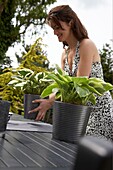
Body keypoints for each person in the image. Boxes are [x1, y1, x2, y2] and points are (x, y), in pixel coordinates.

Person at [29, 5, 113, 141]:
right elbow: (60, 85)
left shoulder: (86, 45)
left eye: (57, 27)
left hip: (98, 111)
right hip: (79, 113)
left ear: (70, 23)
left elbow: (80, 85)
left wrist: (50, 103)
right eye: (53, 28)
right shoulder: (65, 53)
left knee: (92, 155)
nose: (55, 32)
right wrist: (46, 101)